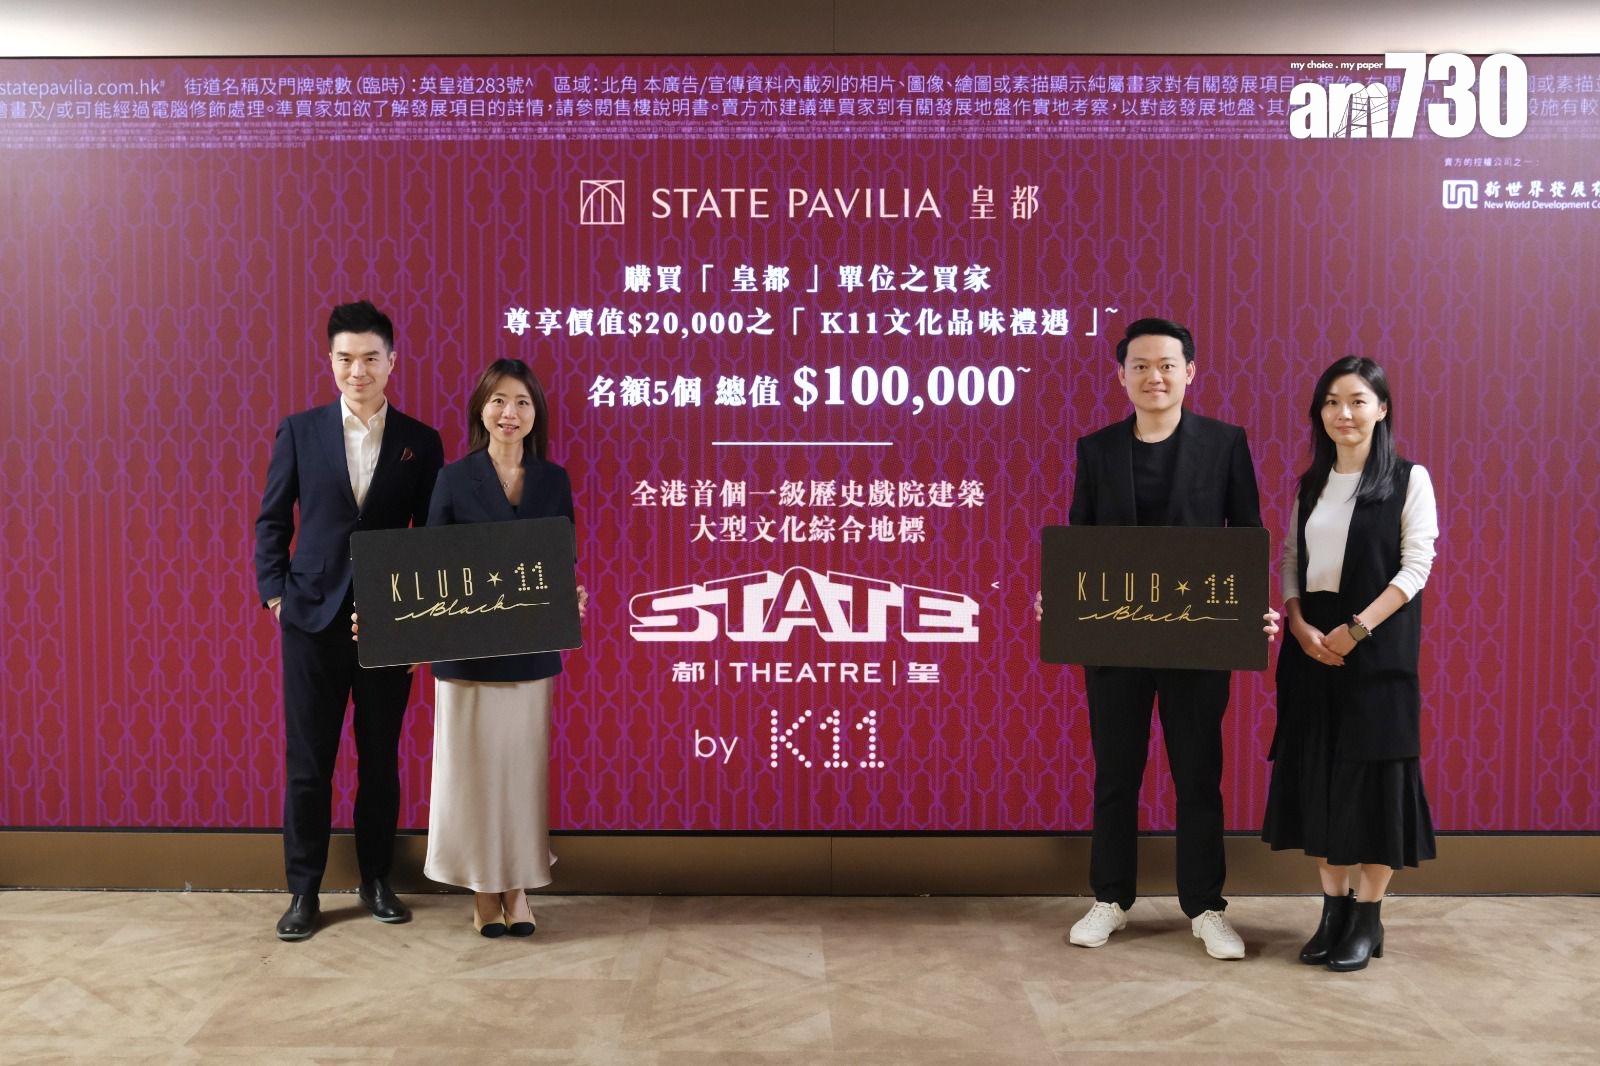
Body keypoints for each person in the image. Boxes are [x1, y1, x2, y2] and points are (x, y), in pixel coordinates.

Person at [1037, 317, 1278, 960]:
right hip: (1114, 641)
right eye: (1140, 366)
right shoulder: (1096, 449)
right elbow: (1080, 539)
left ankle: (1206, 907)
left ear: (1190, 372)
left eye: (1168, 365)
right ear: (1122, 376)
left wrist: (1251, 611)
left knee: (1198, 777)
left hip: (1199, 642)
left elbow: (1246, 535)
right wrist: (1060, 599)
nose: (1155, 376)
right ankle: (1111, 898)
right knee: (1116, 775)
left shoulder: (1225, 444)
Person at [255, 300, 444, 941]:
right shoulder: (299, 431)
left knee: (380, 760)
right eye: (345, 359)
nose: (357, 370)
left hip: (388, 623)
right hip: (310, 619)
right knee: (308, 763)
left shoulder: (421, 441)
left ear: (392, 361)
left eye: (369, 358)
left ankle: (376, 880)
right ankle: (303, 891)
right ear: (330, 361)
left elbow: (433, 540)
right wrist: (276, 597)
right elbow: (272, 521)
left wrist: (419, 624)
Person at [1262, 356, 1438, 972]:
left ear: (1381, 409)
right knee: (1319, 776)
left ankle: (1368, 917)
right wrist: (1297, 622)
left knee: (1376, 784)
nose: (1344, 413)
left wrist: (1357, 629)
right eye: (1332, 402)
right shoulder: (1311, 484)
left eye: (1358, 401)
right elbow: (1291, 558)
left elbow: (1416, 567)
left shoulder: (1409, 479)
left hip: (1377, 647)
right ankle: (1332, 911)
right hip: (1312, 647)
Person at [417, 358, 586, 937]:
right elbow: (429, 569)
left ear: (535, 414)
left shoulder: (553, 480)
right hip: (466, 656)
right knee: (471, 775)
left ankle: (516, 886)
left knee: (519, 774)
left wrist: (569, 596)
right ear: (480, 410)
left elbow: (561, 559)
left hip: (530, 652)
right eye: (498, 401)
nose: (509, 413)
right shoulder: (453, 478)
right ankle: (483, 888)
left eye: (521, 402)